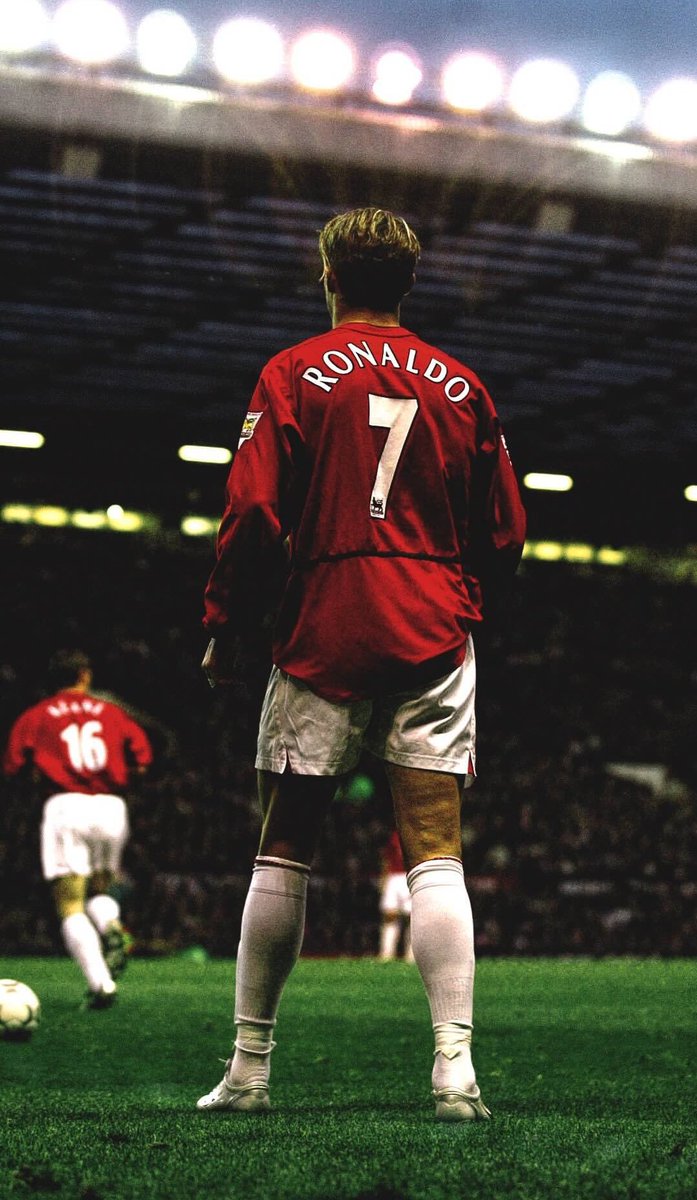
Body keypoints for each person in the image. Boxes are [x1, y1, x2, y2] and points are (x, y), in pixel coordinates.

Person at [198, 206, 526, 1121]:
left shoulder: (295, 372)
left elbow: (254, 513)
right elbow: (504, 529)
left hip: (325, 619)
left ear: (329, 276)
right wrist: (466, 605)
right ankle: (454, 1072)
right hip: (431, 622)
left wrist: (228, 622)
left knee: (285, 846)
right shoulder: (463, 385)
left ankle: (250, 1074)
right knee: (435, 854)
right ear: (409, 284)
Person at [3, 649, 153, 1006]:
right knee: (100, 890)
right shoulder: (112, 713)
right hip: (111, 807)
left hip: (66, 805)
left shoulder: (37, 716)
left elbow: (12, 766)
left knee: (70, 903)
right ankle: (112, 928)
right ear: (84, 676)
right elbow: (143, 760)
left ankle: (101, 985)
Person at [378, 828, 414, 961]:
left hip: (409, 876)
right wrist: (384, 879)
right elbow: (387, 860)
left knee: (412, 919)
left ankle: (411, 956)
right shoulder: (394, 835)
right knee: (390, 916)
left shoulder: (417, 834)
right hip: (394, 877)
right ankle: (386, 954)